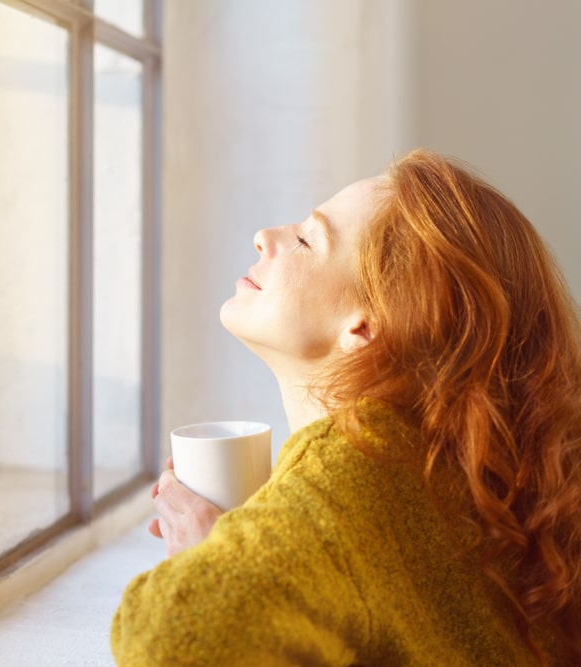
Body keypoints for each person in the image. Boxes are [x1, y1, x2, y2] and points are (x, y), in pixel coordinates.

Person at [111, 149, 581, 665]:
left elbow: (169, 640)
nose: (266, 237)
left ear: (365, 325)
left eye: (307, 239)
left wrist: (204, 562)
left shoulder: (356, 471)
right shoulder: (446, 465)